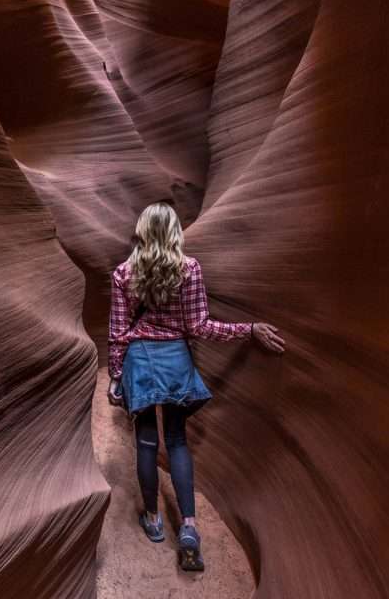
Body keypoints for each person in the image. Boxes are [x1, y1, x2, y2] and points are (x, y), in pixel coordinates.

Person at [106, 201, 285, 572]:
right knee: (176, 440)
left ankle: (154, 520)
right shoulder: (189, 270)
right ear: (174, 232)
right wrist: (247, 329)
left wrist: (114, 377)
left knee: (145, 440)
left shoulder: (123, 274)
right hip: (176, 360)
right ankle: (188, 527)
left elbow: (118, 335)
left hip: (140, 361)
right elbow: (200, 327)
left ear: (142, 230)